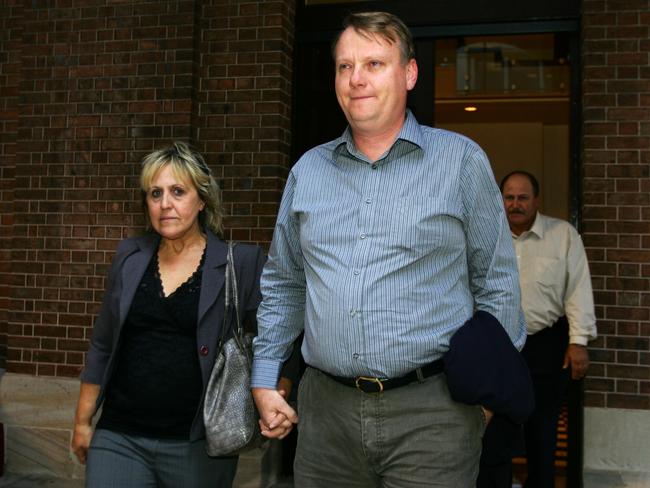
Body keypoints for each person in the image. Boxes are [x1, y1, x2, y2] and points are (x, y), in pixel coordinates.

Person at [251, 11, 527, 487]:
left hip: (433, 413)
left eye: (374, 63)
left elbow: (496, 282)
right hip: (325, 422)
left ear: (410, 73)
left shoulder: (460, 161)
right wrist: (263, 376)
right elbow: (284, 284)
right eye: (344, 66)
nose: (356, 78)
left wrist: (485, 396)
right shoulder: (307, 172)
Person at [70, 142, 291, 488]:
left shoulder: (242, 263)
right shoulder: (129, 257)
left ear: (201, 200)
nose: (165, 204)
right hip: (119, 436)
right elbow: (102, 343)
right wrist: (84, 421)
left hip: (198, 446)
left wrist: (276, 393)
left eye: (177, 191)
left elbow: (281, 336)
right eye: (155, 193)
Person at [497, 170, 597, 488]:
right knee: (496, 427)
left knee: (543, 427)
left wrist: (578, 341)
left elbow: (578, 289)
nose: (515, 204)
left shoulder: (563, 235)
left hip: (545, 343)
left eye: (523, 197)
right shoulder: (488, 234)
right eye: (509, 197)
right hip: (498, 347)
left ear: (536, 200)